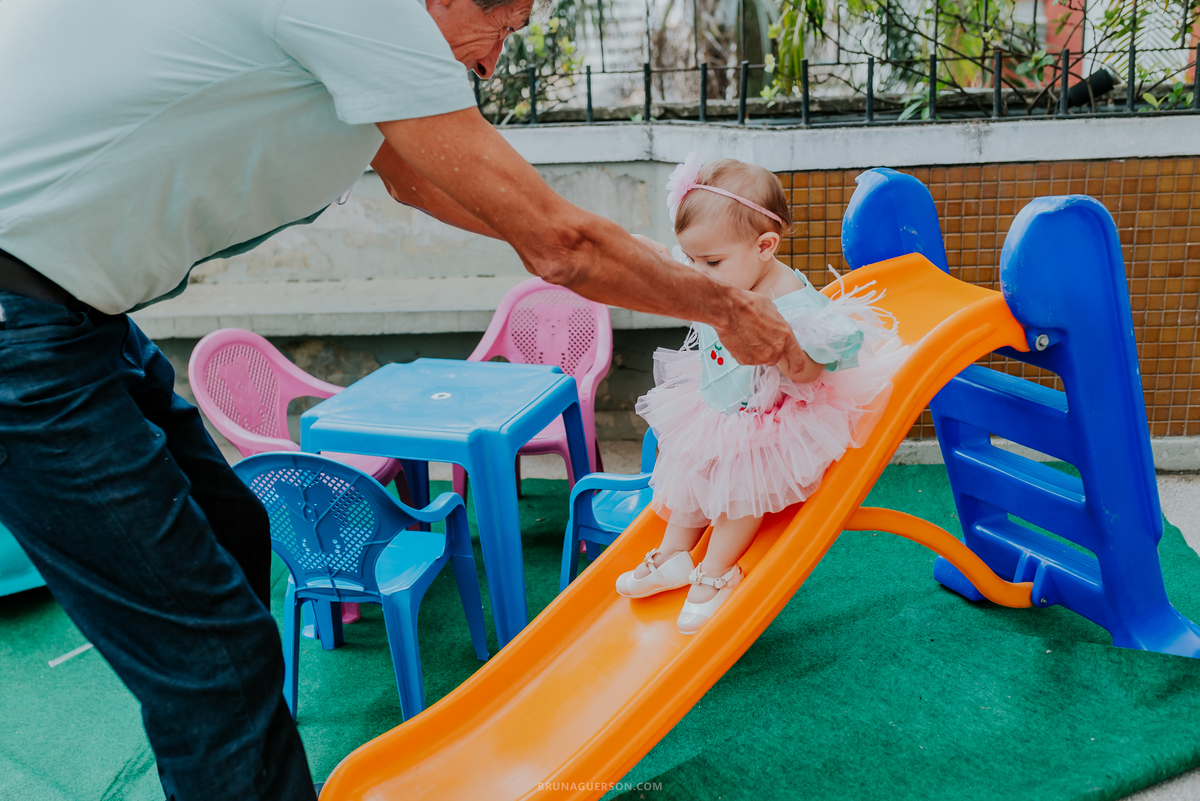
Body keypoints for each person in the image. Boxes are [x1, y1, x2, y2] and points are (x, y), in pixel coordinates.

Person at [0, 0, 817, 797]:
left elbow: (422, 184)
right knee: (212, 660)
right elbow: (556, 245)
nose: (494, 60)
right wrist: (723, 307)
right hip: (21, 322)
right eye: (502, 24)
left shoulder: (363, 44)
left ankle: (231, 758)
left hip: (74, 314)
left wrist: (633, 253)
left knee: (235, 530)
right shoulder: (365, 8)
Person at [614, 155, 910, 634]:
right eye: (693, 259)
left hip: (771, 416)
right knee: (690, 466)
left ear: (765, 246)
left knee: (739, 483)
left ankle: (716, 571)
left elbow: (833, 349)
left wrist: (792, 351)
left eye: (710, 262)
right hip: (719, 400)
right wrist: (658, 260)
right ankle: (672, 555)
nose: (700, 272)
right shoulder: (728, 270)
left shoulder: (790, 299)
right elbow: (681, 267)